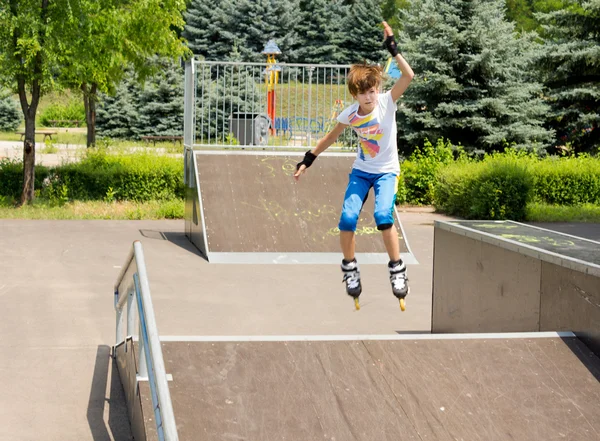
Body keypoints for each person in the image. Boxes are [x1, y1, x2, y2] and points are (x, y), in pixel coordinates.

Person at [293, 21, 414, 301]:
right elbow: (330, 137)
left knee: (383, 216)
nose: (369, 97)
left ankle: (397, 269)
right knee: (347, 219)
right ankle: (350, 268)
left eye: (372, 91)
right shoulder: (350, 114)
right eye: (364, 93)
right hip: (361, 171)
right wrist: (308, 159)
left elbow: (408, 76)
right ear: (355, 94)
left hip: (386, 172)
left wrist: (393, 49)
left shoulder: (387, 101)